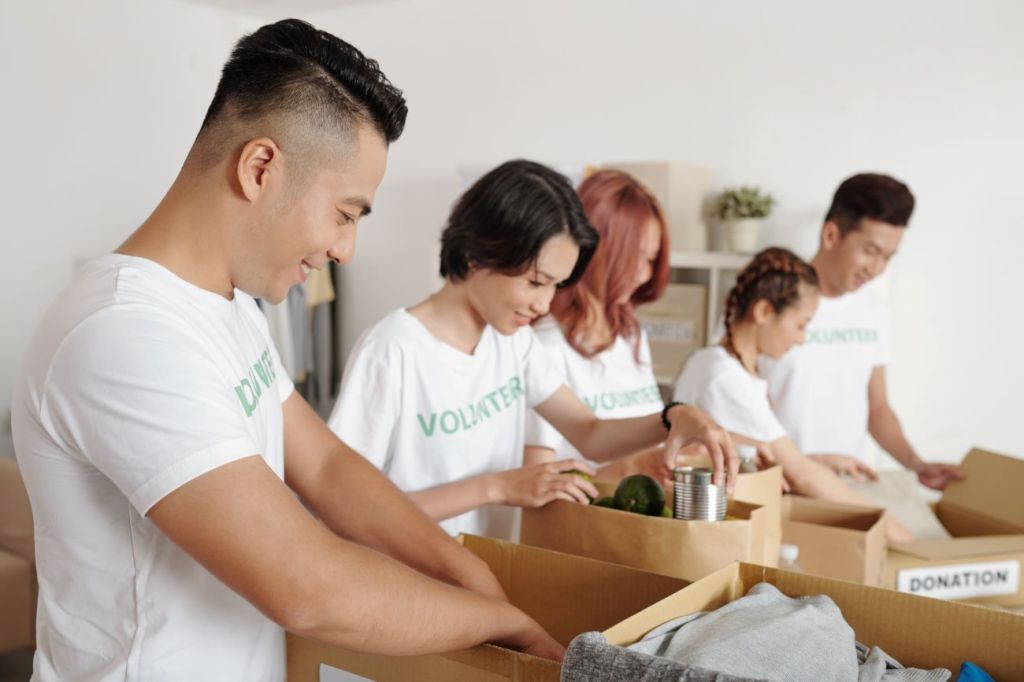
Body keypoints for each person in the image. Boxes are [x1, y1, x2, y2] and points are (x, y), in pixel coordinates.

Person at [11, 19, 566, 681]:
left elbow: (327, 466)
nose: (345, 249)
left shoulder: (228, 306)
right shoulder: (122, 332)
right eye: (346, 212)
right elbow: (307, 585)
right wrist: (508, 623)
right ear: (260, 168)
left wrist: (463, 568)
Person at [327, 160, 737, 541]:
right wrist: (496, 486)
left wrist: (675, 415)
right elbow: (345, 511)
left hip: (485, 572)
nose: (544, 305)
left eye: (556, 286)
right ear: (475, 256)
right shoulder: (392, 351)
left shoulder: (512, 341)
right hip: (406, 586)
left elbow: (590, 434)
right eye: (535, 282)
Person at [674, 247, 913, 543]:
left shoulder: (728, 369)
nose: (801, 339)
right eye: (801, 325)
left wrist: (817, 460)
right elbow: (800, 474)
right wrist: (896, 533)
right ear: (763, 312)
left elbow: (750, 453)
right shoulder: (724, 377)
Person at [759, 174, 964, 490]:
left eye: (888, 257)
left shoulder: (875, 312)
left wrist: (915, 464)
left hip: (844, 489)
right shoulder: (766, 305)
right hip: (777, 484)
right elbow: (735, 405)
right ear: (831, 235)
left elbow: (877, 406)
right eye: (870, 250)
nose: (877, 268)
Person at [522, 169, 677, 482]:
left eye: (650, 259)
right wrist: (633, 469)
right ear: (593, 247)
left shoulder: (630, 335)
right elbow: (536, 484)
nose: (643, 274)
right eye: (634, 256)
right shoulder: (542, 347)